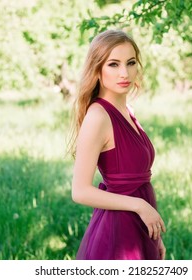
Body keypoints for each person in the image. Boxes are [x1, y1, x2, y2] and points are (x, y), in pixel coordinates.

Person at [68, 29, 166, 260]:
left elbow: (139, 182)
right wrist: (141, 206)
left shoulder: (127, 110)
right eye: (113, 64)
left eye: (130, 63)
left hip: (139, 227)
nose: (125, 73)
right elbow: (80, 191)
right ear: (98, 69)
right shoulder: (99, 116)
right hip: (118, 232)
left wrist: (154, 236)